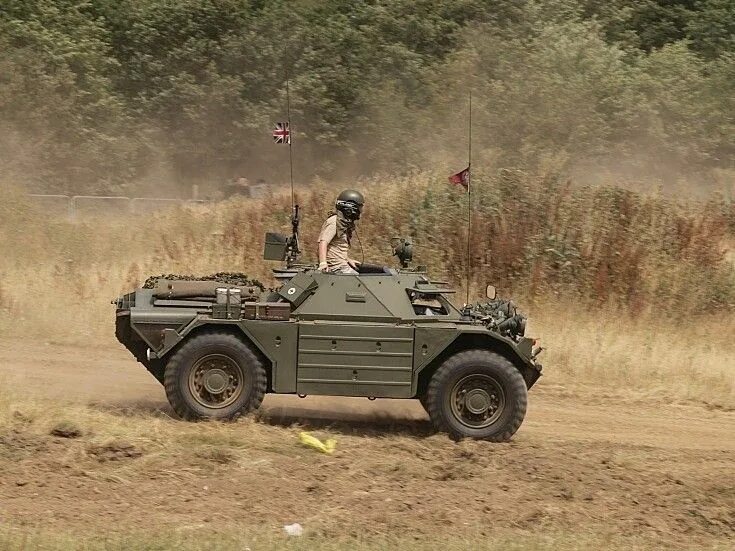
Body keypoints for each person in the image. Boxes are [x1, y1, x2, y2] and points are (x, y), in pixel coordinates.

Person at [317, 189, 364, 274]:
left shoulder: (342, 222)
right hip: (336, 267)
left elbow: (337, 247)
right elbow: (323, 242)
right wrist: (323, 263)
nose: (360, 211)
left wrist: (347, 259)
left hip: (341, 264)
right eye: (359, 208)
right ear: (350, 208)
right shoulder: (334, 222)